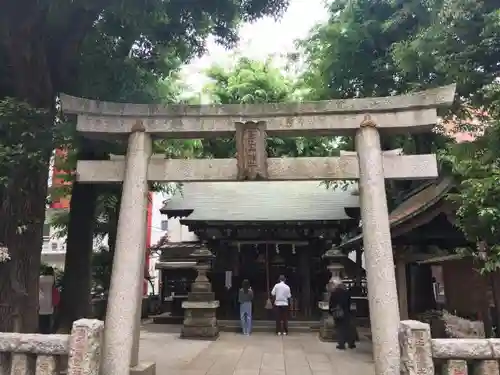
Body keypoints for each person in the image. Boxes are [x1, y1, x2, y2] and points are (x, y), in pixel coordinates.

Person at [329, 278, 356, 350]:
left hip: (338, 313)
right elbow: (349, 302)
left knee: (340, 328)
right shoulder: (346, 292)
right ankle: (351, 343)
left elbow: (331, 304)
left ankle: (341, 344)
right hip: (346, 312)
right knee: (348, 328)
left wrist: (331, 311)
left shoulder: (334, 293)